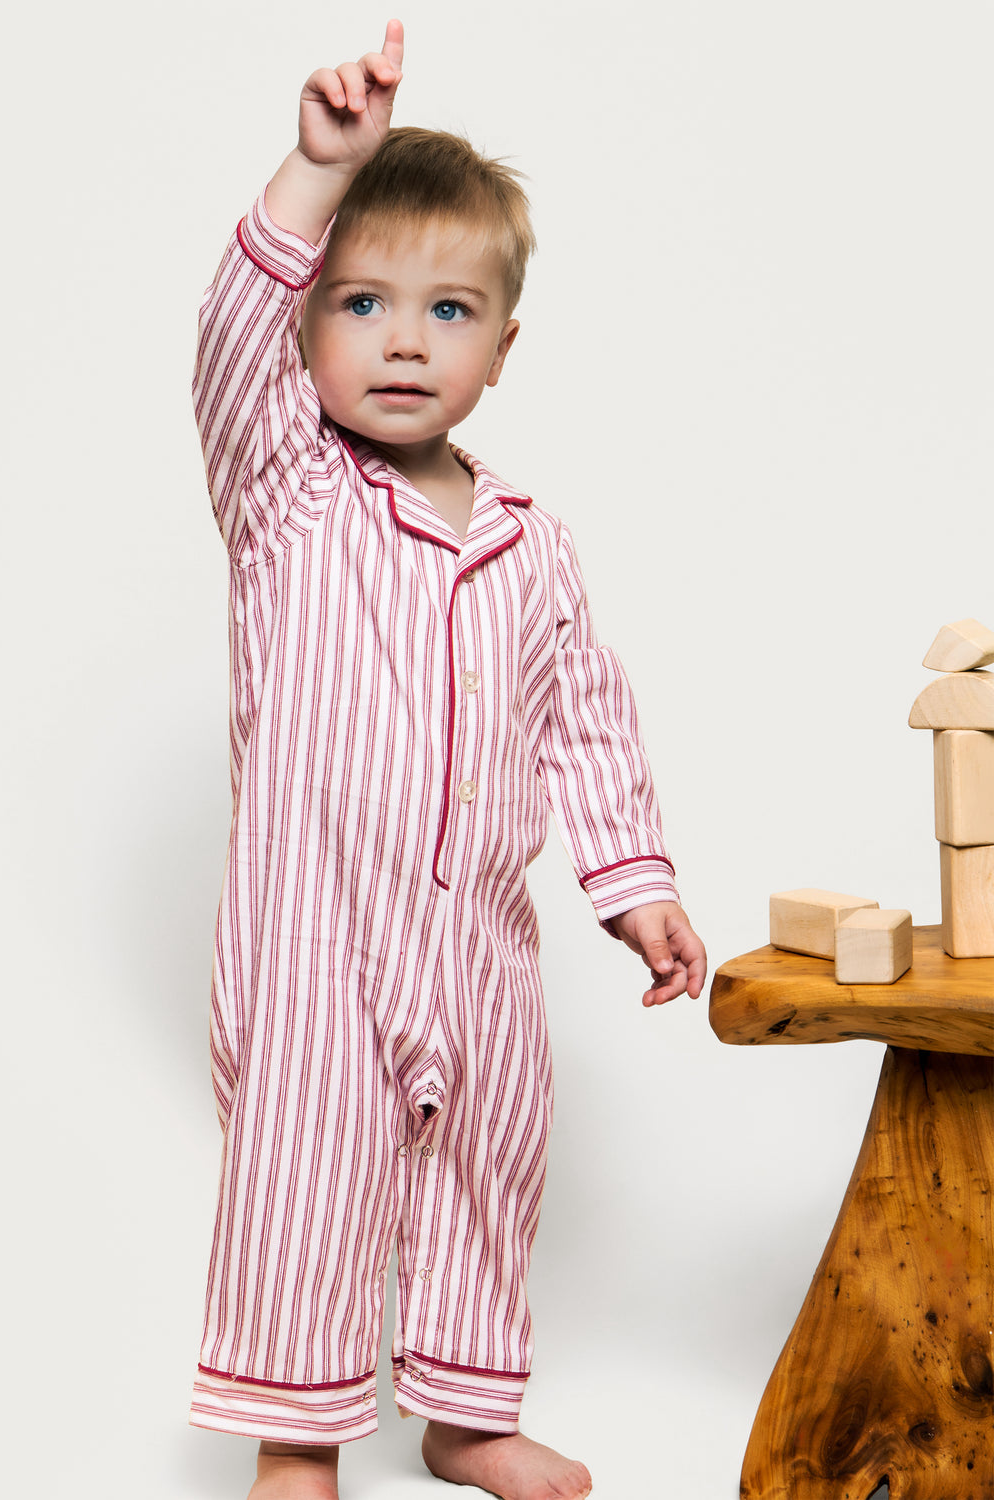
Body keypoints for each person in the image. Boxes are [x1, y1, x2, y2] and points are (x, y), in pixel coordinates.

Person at [189, 20, 707, 1499]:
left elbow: (583, 714)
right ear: (305, 333)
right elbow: (229, 340)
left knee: (488, 1165)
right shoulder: (289, 489)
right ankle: (299, 1442)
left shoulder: (532, 539)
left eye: (448, 310)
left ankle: (465, 1415)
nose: (405, 340)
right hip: (316, 933)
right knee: (308, 1176)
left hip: (480, 933)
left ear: (501, 348)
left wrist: (637, 890)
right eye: (361, 304)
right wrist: (315, 172)